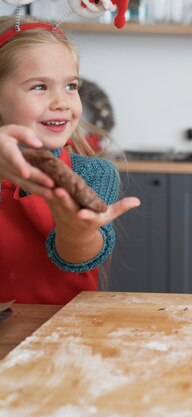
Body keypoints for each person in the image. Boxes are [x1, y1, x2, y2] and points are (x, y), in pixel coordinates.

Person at [0, 16, 140, 304]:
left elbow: (79, 258)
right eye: (39, 86)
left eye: (70, 86)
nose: (62, 102)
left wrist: (77, 232)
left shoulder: (93, 173)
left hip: (65, 333)